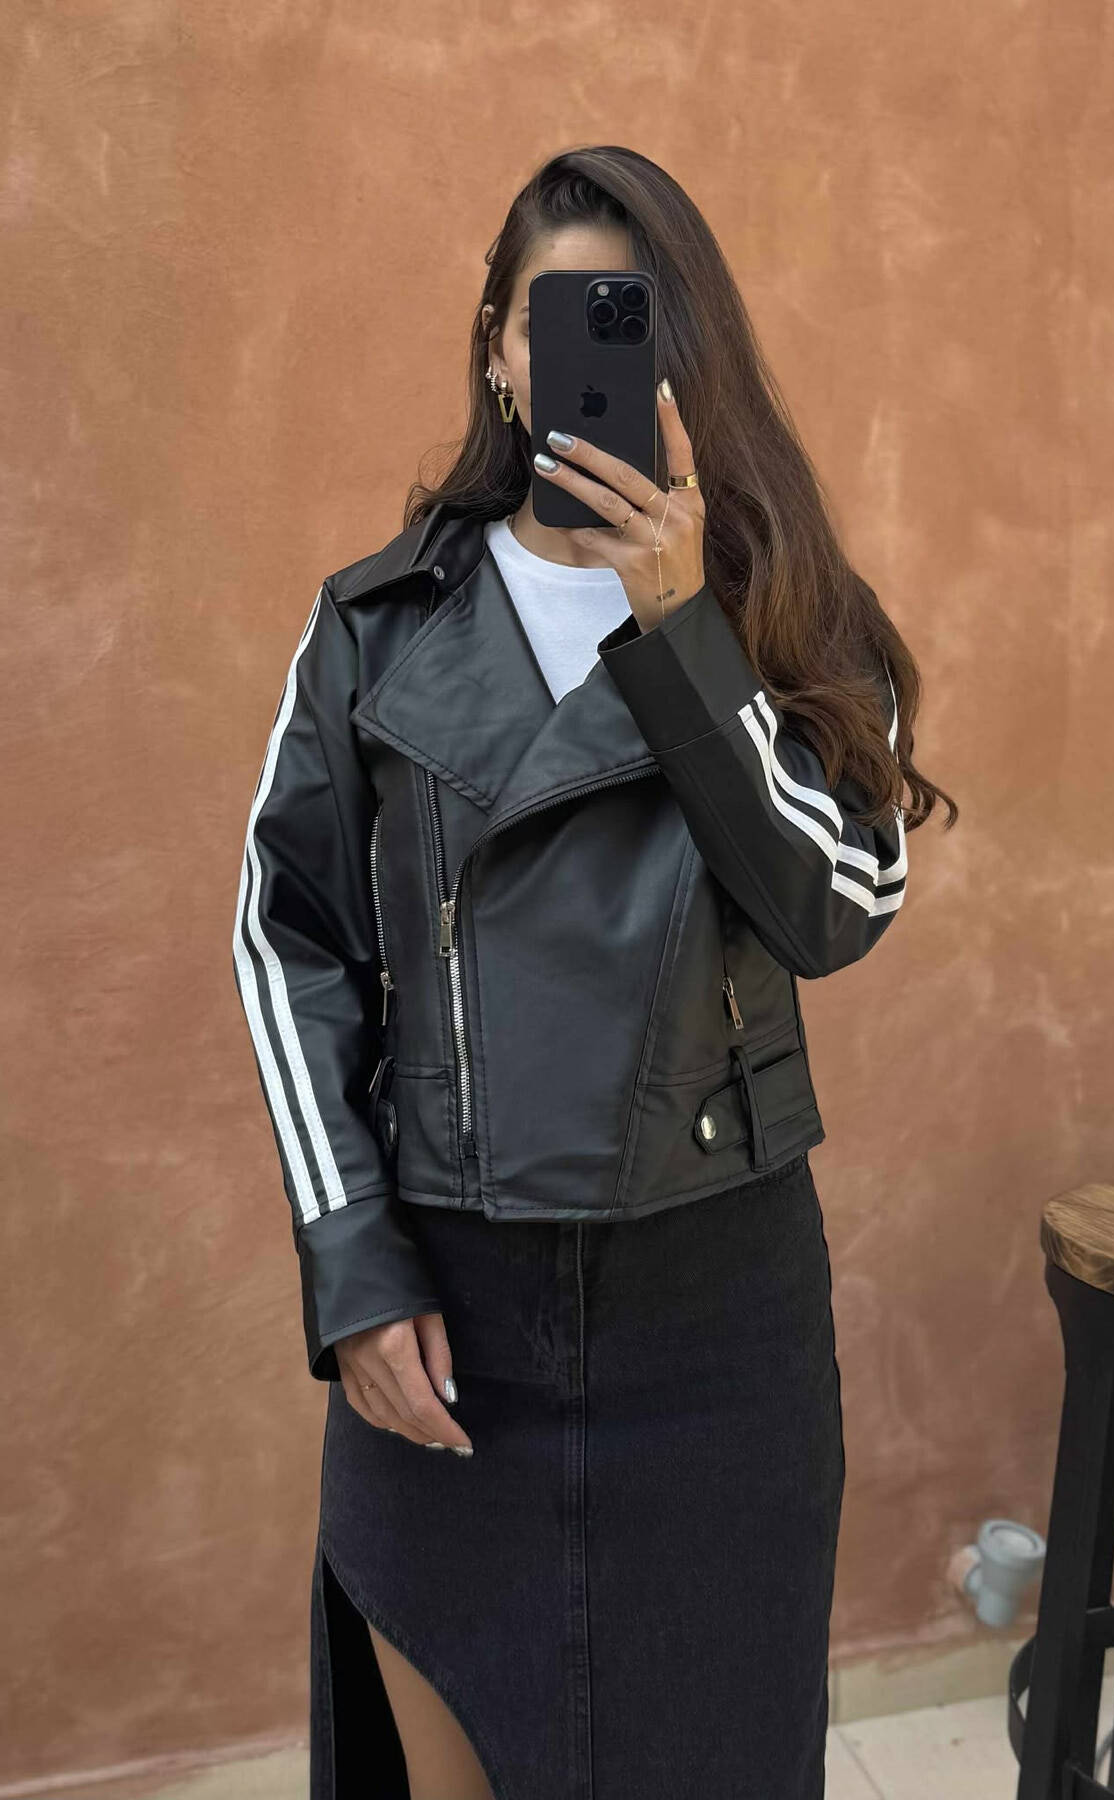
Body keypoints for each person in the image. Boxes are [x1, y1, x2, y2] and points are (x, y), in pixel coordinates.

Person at [231, 144, 957, 1800]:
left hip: (716, 1327)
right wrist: (353, 1266)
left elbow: (840, 905)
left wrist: (684, 632)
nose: (586, 354)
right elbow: (289, 941)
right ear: (499, 347)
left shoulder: (792, 616)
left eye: (631, 318)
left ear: (685, 356)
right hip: (450, 1318)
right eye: (556, 317)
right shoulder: (377, 625)